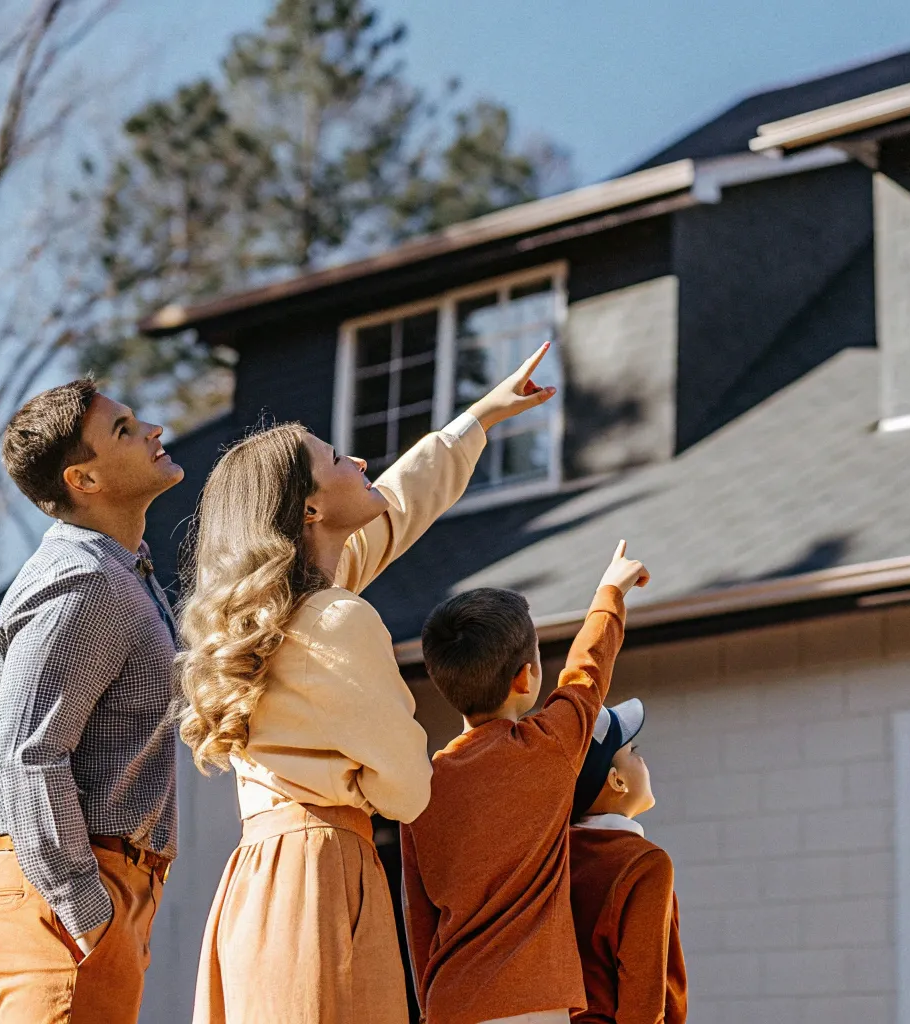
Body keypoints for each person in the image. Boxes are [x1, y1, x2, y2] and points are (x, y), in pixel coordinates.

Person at [177, 343, 558, 1024]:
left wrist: (478, 420)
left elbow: (403, 503)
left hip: (256, 881)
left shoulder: (280, 616)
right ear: (310, 512)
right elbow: (407, 790)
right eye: (335, 461)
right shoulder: (337, 617)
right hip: (325, 876)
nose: (358, 461)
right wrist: (356, 782)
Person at [0, 380, 186, 1024]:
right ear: (83, 478)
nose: (152, 431)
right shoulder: (85, 581)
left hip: (96, 886)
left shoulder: (125, 573)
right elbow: (27, 752)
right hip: (60, 889)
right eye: (123, 429)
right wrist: (86, 908)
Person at [402, 542, 652, 1024]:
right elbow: (586, 675)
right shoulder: (547, 747)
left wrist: (431, 1004)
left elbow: (420, 918)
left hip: (450, 1003)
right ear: (527, 678)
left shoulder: (423, 785)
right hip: (532, 1001)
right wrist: (610, 594)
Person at [567, 699, 688, 1024]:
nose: (643, 759)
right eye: (633, 751)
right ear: (616, 780)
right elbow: (643, 1001)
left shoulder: (552, 856)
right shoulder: (644, 863)